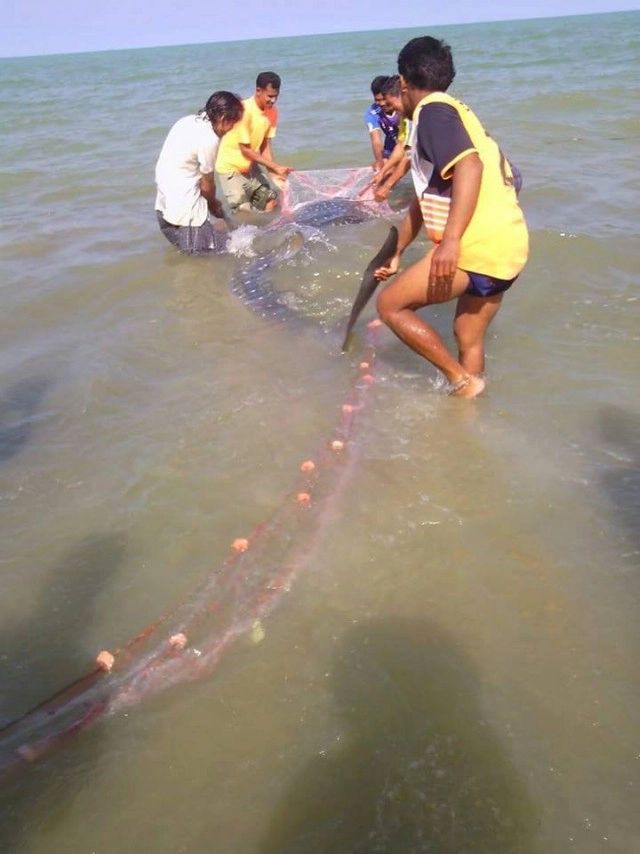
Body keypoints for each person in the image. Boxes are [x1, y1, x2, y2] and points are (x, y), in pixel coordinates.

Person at [375, 36, 528, 398]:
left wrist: (453, 242)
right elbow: (425, 198)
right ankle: (469, 414)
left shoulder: (432, 111)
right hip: (510, 245)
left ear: (404, 82)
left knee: (391, 306)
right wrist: (398, 251)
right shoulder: (459, 112)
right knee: (467, 335)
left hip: (476, 245)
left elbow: (470, 167)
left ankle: (460, 382)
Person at [154, 91, 243, 254]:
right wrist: (213, 203)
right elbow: (207, 184)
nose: (232, 129)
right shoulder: (210, 139)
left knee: (193, 262)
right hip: (187, 221)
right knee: (222, 259)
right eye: (233, 123)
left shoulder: (186, 121)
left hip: (163, 211)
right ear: (223, 119)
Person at [215, 71, 292, 213]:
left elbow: (265, 145)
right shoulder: (243, 110)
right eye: (270, 96)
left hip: (250, 165)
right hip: (230, 168)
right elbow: (245, 149)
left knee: (270, 201)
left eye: (276, 96)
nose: (273, 100)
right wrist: (275, 166)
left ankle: (268, 234)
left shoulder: (272, 112)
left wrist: (274, 173)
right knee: (243, 212)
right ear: (258, 90)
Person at [371, 75, 413, 202]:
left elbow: (409, 157)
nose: (390, 109)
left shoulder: (413, 117)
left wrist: (387, 186)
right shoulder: (403, 117)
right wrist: (383, 172)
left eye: (390, 103)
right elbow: (401, 146)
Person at [364, 75, 400, 173]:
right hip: (391, 141)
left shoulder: (401, 106)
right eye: (377, 100)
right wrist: (379, 162)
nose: (382, 103)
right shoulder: (372, 112)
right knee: (385, 169)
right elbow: (376, 141)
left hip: (406, 139)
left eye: (384, 99)